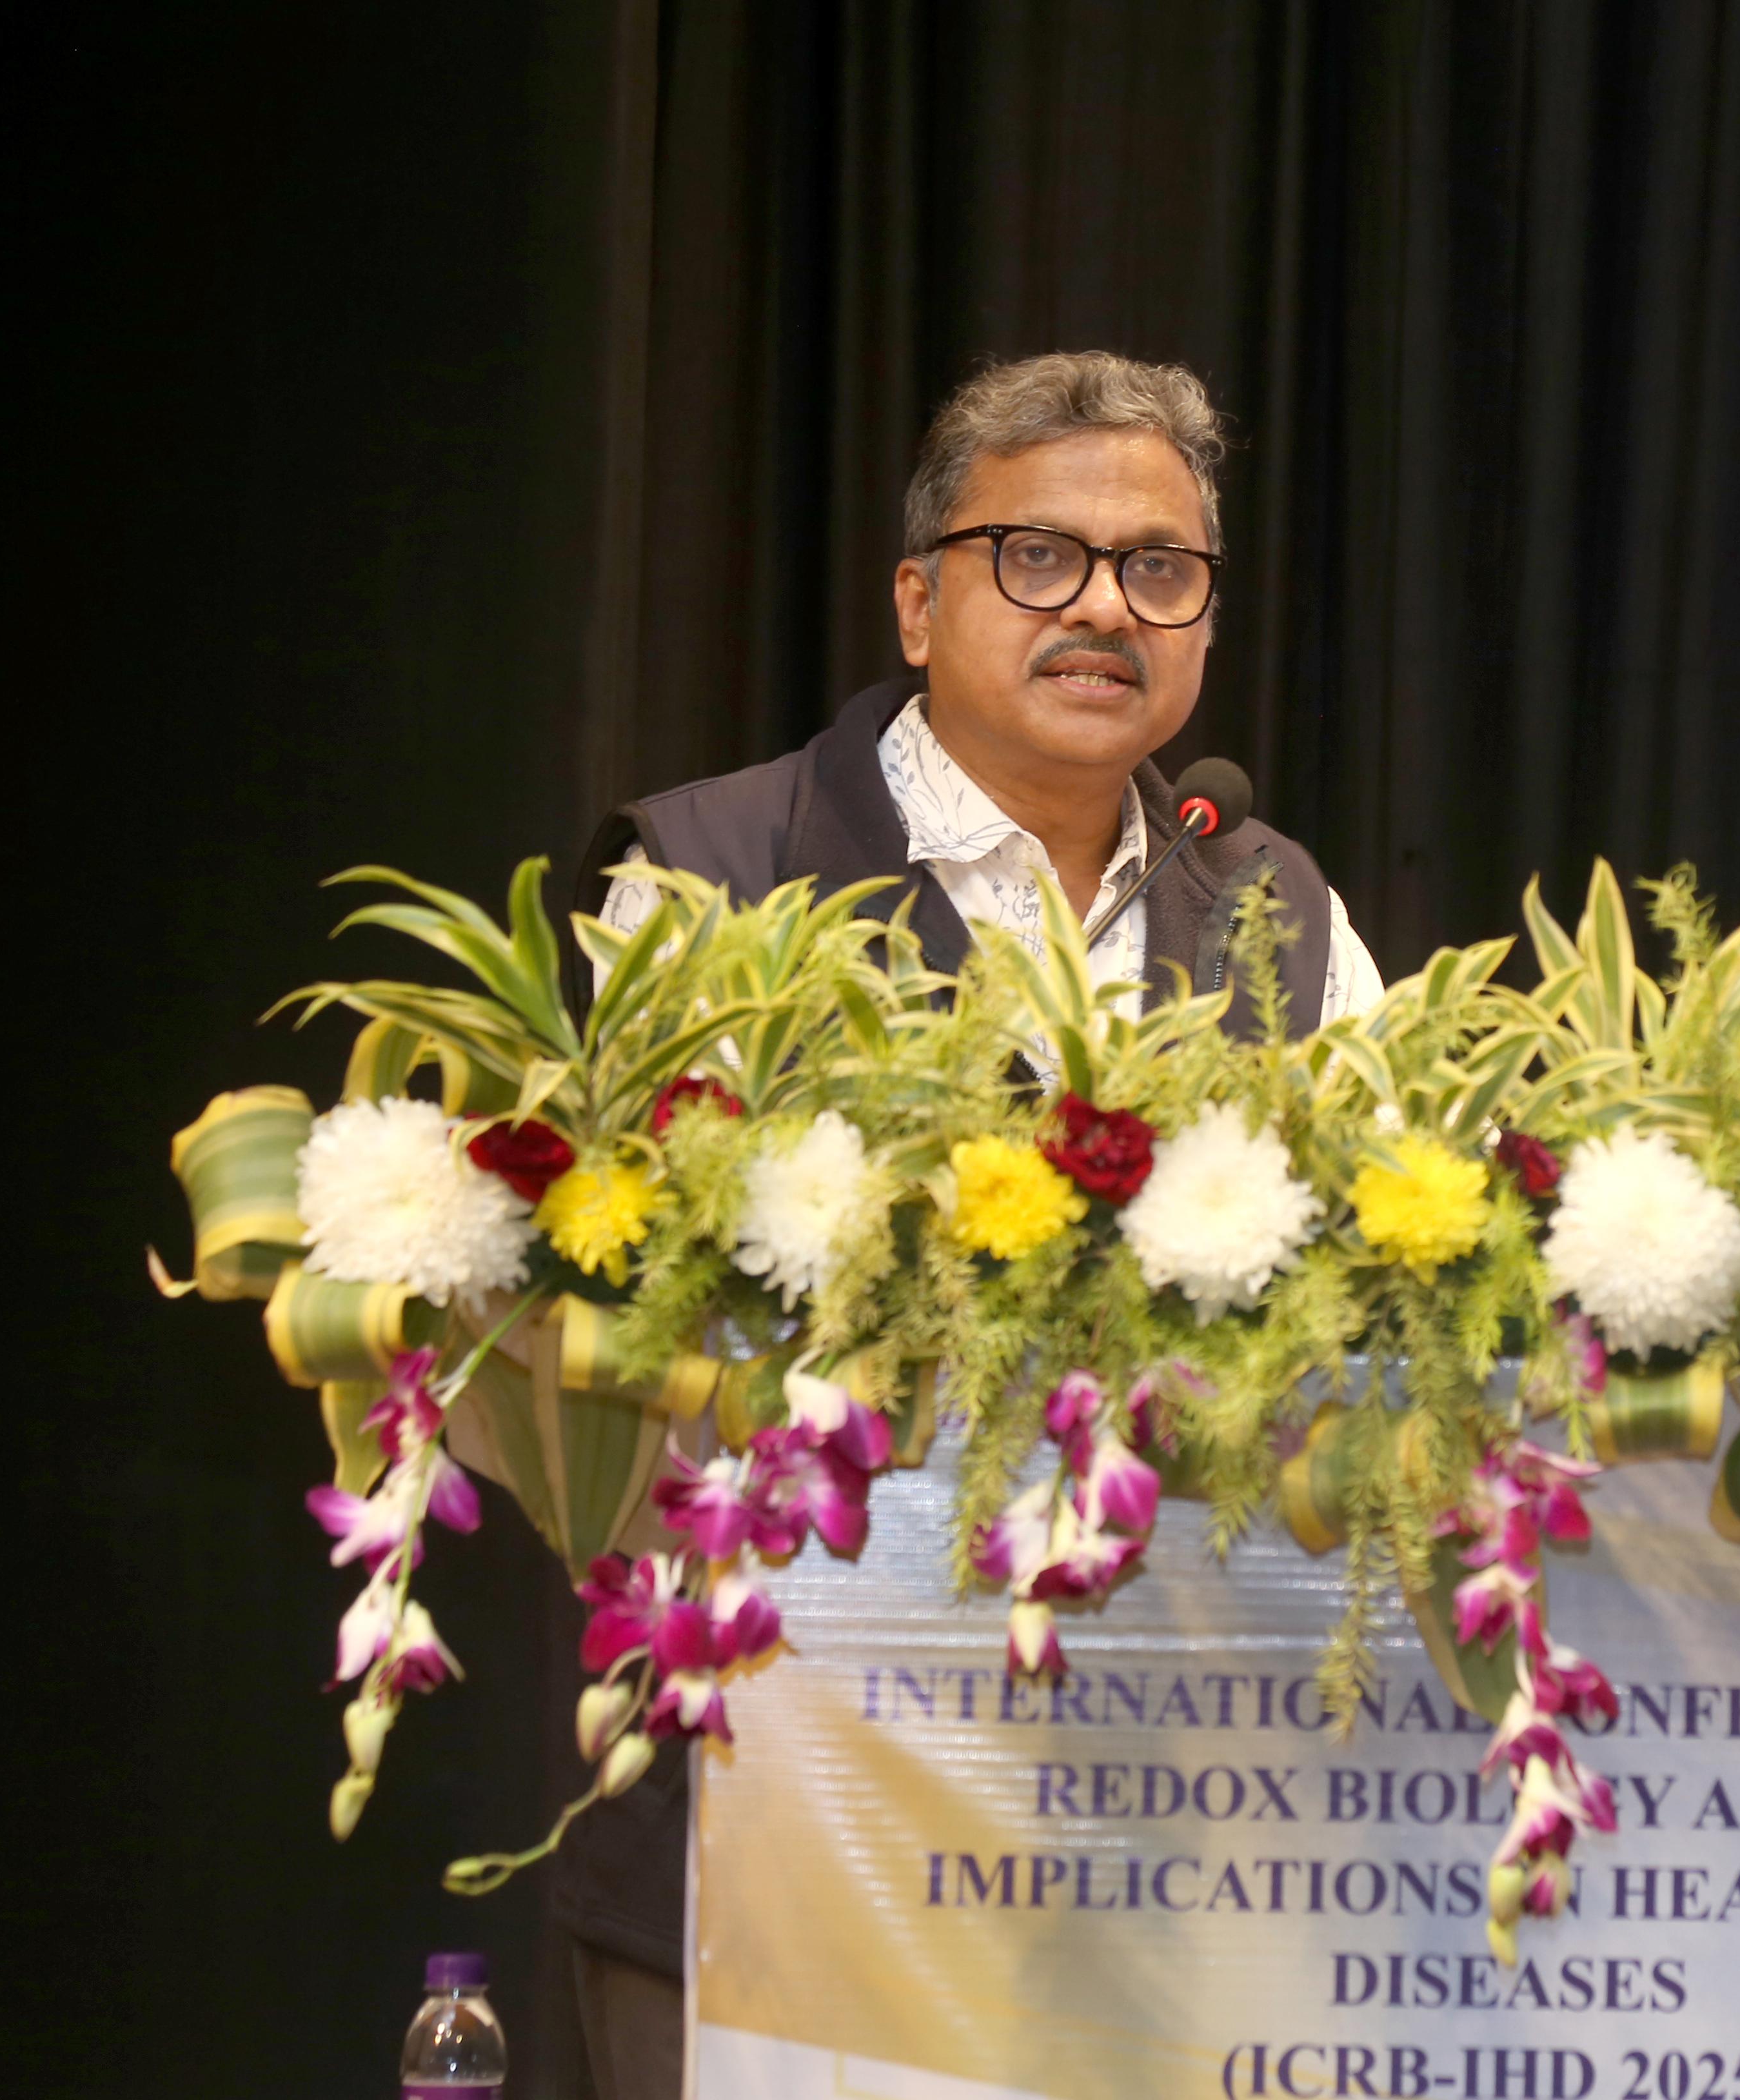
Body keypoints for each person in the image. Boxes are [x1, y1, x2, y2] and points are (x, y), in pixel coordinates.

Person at [553, 350, 1382, 2099]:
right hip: (774, 1811)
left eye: (1160, 569)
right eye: (1042, 556)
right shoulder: (707, 878)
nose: (1107, 608)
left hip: (1182, 1837)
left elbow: (1398, 1294)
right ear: (921, 603)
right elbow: (617, 1312)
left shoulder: (1281, 911)